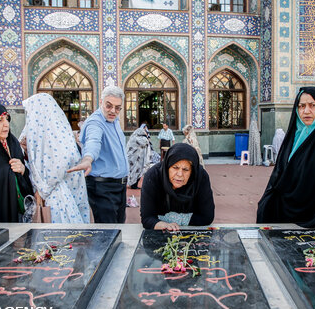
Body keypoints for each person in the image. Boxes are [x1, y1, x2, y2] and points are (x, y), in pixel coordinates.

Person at [257, 87, 315, 229]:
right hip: (284, 213)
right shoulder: (292, 139)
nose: (306, 111)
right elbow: (279, 176)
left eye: (313, 105)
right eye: (301, 106)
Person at [22, 94, 91, 223]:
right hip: (64, 194)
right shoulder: (55, 133)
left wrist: (43, 190)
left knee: (57, 238)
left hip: (58, 200)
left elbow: (60, 166)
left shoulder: (55, 135)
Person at [68, 86, 129, 223]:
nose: (113, 111)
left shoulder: (114, 120)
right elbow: (93, 142)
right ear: (101, 102)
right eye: (109, 106)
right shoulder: (95, 122)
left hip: (119, 186)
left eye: (118, 107)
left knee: (119, 229)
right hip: (103, 187)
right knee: (108, 234)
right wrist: (88, 159)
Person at [141, 143, 214, 230]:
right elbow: (147, 218)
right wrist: (164, 225)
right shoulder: (153, 176)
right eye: (175, 167)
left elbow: (207, 217)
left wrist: (171, 219)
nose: (179, 174)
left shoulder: (200, 177)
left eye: (186, 169)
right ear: (167, 166)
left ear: (192, 171)